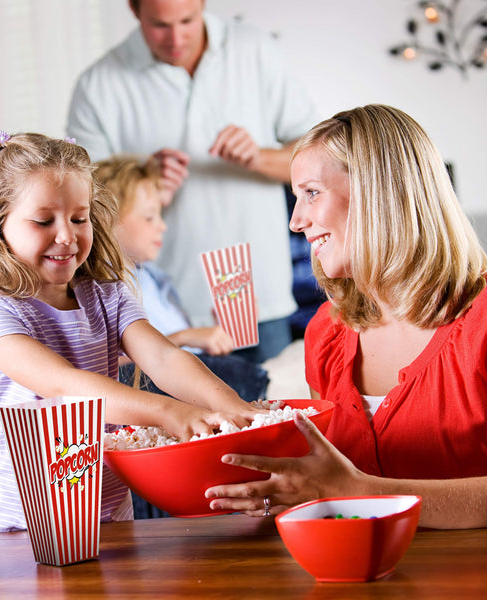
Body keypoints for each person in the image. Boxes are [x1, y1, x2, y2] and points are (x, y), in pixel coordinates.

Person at [0, 132, 260, 536]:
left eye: (79, 219)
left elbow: (164, 357)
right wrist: (169, 411)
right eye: (44, 221)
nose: (67, 235)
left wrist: (234, 408)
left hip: (108, 521)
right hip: (22, 533)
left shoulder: (106, 296)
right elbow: (65, 386)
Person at [204, 104, 487, 529]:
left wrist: (355, 490)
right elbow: (336, 492)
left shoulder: (479, 325)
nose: (296, 221)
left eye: (312, 193)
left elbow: (350, 489)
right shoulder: (328, 332)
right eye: (295, 198)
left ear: (380, 193)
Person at [66, 0, 319, 363]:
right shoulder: (97, 84)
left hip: (261, 291)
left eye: (187, 20)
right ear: (134, 11)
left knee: (274, 404)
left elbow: (318, 159)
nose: (176, 38)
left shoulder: (255, 49)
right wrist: (143, 181)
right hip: (162, 306)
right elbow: (81, 201)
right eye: (160, 25)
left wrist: (259, 156)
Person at [93, 155, 269, 404]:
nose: (162, 226)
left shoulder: (152, 278)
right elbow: (107, 369)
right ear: (107, 221)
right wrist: (186, 336)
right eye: (149, 216)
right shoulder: (102, 286)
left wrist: (216, 334)